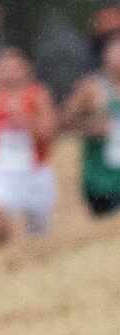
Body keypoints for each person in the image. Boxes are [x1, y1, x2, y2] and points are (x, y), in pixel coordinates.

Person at [0, 46, 56, 245]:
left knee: (37, 235)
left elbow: (48, 133)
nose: (9, 73)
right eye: (4, 68)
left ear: (25, 69)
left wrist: (26, 122)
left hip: (33, 171)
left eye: (14, 68)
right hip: (2, 170)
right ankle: (0, 257)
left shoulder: (37, 95)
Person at [61, 19, 120, 221]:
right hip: (102, 181)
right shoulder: (91, 88)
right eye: (115, 49)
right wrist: (90, 127)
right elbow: (64, 122)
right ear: (104, 54)